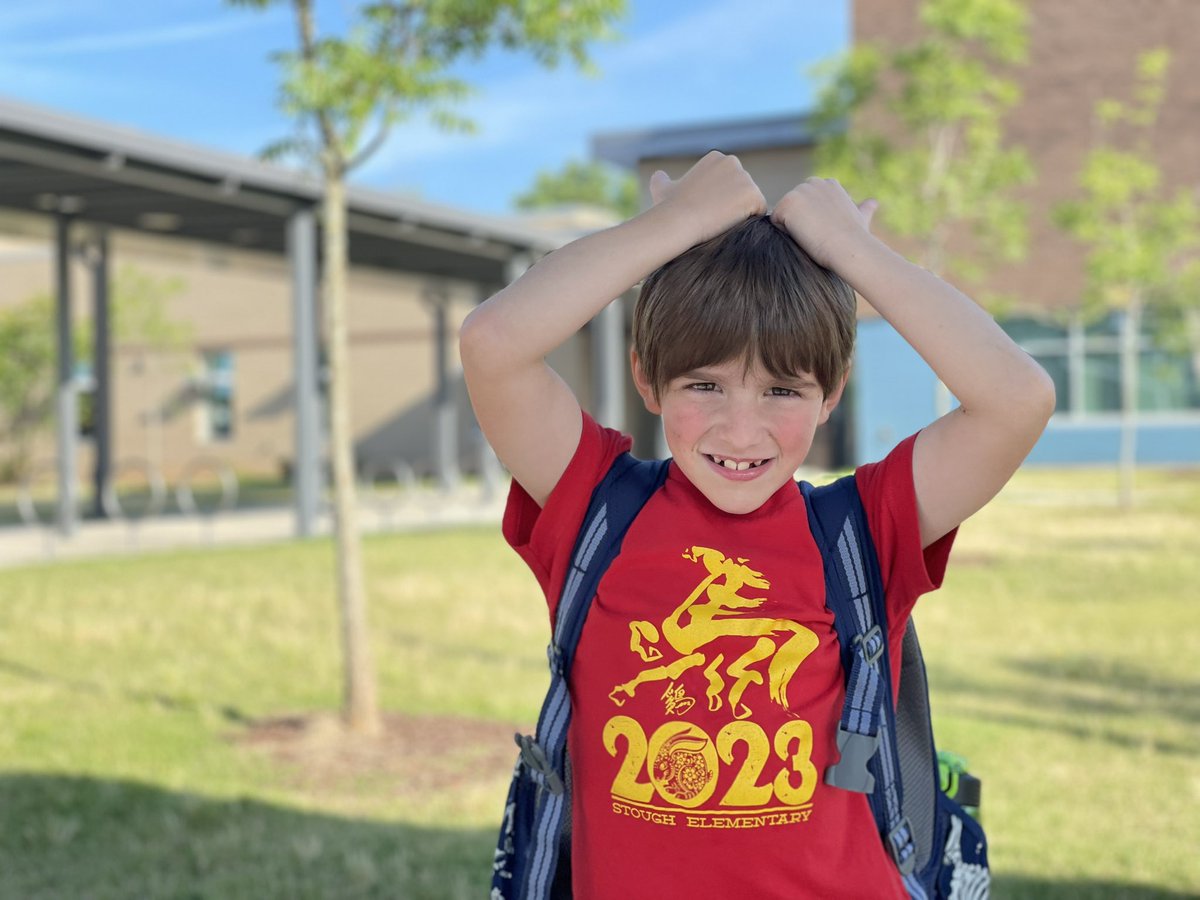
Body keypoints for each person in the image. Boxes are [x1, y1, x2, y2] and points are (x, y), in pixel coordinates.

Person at [460, 151, 1054, 899]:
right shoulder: (596, 513)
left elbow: (1018, 397)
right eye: (704, 384)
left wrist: (855, 253)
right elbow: (493, 345)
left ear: (831, 392)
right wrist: (672, 225)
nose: (741, 432)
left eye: (782, 389)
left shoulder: (864, 531)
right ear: (647, 377)